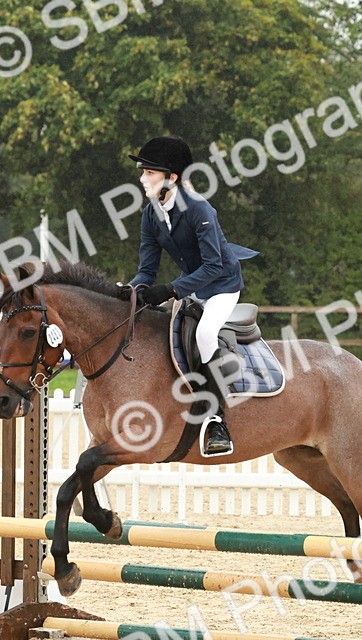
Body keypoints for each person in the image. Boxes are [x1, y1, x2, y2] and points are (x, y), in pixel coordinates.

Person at [121, 135, 258, 457]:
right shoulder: (151, 214)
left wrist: (171, 290)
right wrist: (130, 291)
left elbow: (213, 265)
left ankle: (216, 420)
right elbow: (147, 269)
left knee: (206, 333)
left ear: (172, 178)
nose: (142, 179)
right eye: (143, 173)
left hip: (222, 284)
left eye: (149, 173)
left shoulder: (199, 209)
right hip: (192, 285)